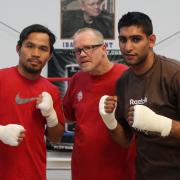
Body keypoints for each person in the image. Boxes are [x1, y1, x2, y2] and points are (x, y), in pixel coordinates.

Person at [99, 11, 180, 180]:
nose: (128, 47)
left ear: (151, 41)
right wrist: (109, 120)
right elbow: (125, 140)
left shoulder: (174, 74)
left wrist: (160, 124)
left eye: (136, 39)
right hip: (145, 174)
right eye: (123, 40)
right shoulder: (124, 81)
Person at [63, 27, 136, 180]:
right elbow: (67, 117)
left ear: (104, 48)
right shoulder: (77, 79)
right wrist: (48, 110)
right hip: (82, 170)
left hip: (118, 171)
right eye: (77, 50)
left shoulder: (127, 78)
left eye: (88, 48)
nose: (82, 54)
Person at [0, 24, 65, 180]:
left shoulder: (51, 90)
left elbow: (56, 138)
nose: (36, 53)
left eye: (43, 49)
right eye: (30, 46)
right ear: (18, 48)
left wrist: (51, 116)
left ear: (49, 56)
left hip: (34, 173)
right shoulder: (1, 78)